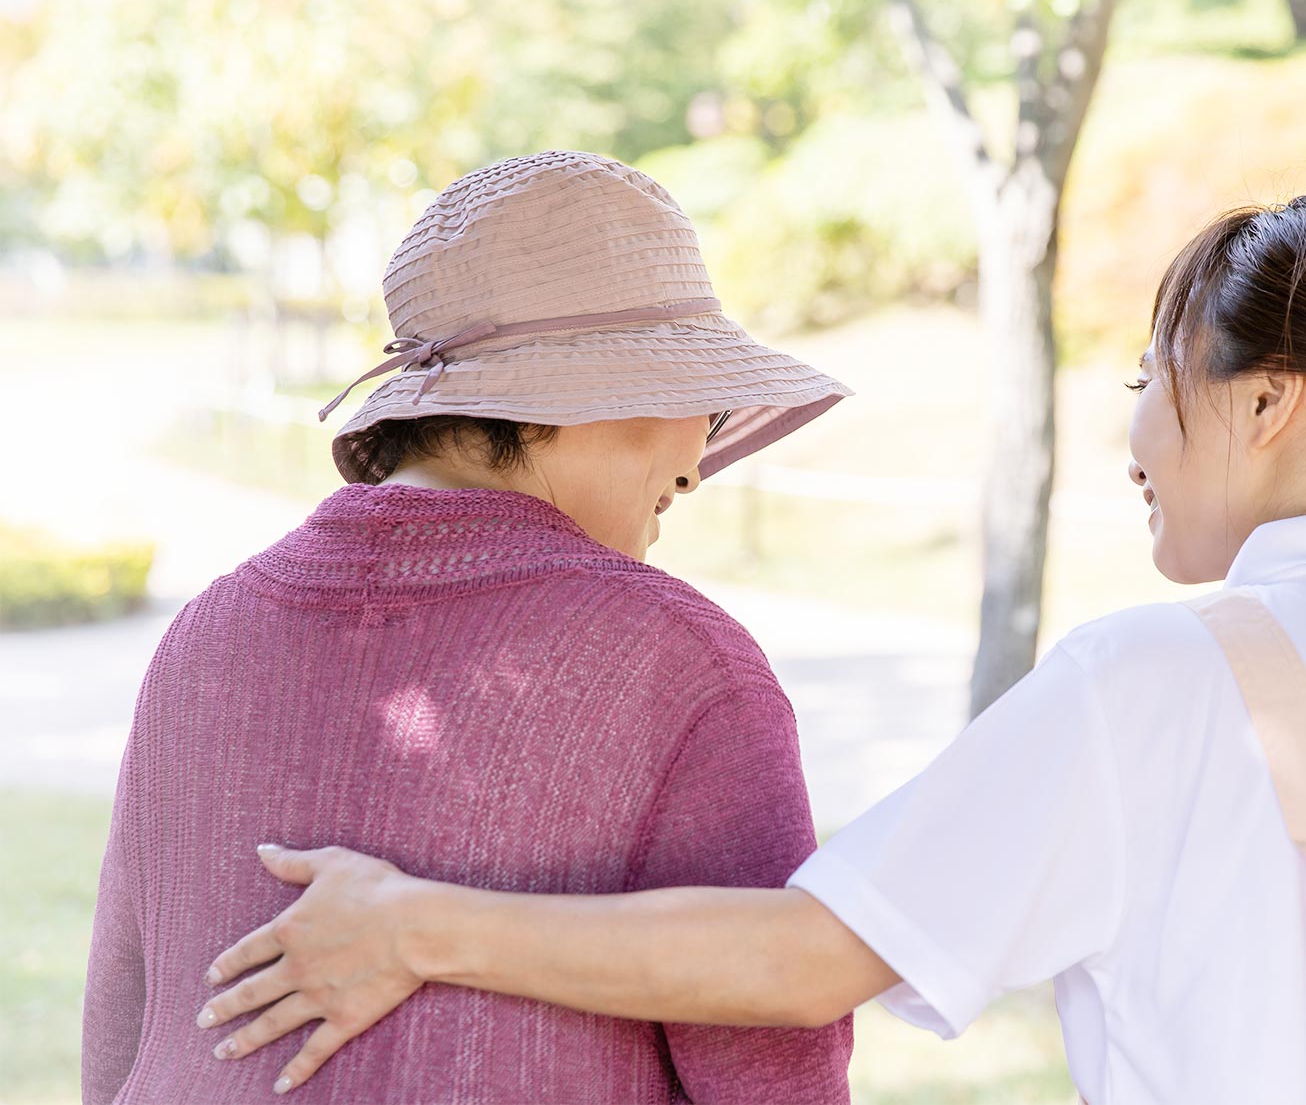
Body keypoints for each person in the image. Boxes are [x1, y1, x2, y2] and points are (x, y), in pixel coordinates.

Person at [194, 181, 1306, 1104]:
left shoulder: (1165, 683)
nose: (1132, 432)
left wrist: (409, 927)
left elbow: (802, 958)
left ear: (1268, 403)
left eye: (1150, 380)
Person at [83, 150, 858, 1104]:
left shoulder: (207, 633)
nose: (700, 464)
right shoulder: (679, 663)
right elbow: (772, 1057)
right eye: (700, 397)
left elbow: (124, 1025)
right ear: (594, 399)